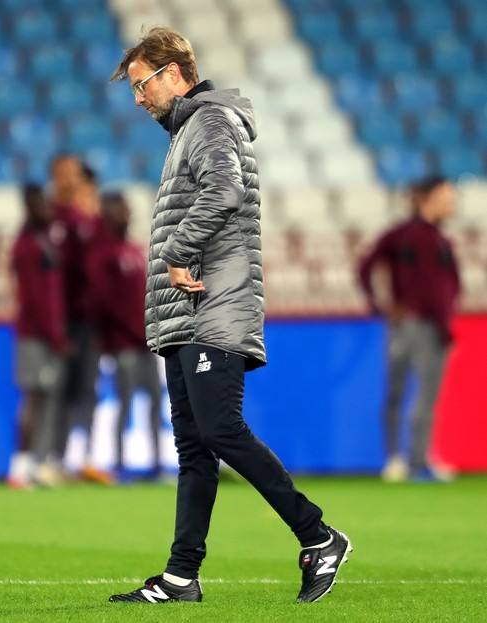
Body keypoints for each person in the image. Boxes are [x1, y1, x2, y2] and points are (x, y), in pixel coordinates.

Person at [106, 26, 350, 604]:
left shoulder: (210, 121)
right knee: (194, 446)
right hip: (187, 311)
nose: (138, 99)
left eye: (142, 85)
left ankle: (318, 535)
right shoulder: (189, 129)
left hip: (214, 304)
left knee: (219, 431)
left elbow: (225, 191)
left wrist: (178, 252)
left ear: (173, 74)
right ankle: (180, 576)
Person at [358, 177, 460, 483]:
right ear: (424, 199)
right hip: (420, 324)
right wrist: (381, 305)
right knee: (415, 394)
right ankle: (409, 460)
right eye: (445, 197)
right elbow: (366, 267)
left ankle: (405, 460)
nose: (450, 204)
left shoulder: (437, 239)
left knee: (405, 393)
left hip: (423, 324)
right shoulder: (407, 236)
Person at [87, 193, 163, 480]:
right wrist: (132, 331)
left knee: (155, 401)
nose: (126, 215)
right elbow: (104, 301)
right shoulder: (103, 254)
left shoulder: (132, 249)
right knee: (126, 401)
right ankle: (118, 461)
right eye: (120, 210)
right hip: (124, 343)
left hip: (144, 341)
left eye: (127, 210)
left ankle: (156, 462)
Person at [47, 155, 105, 484]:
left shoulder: (91, 224)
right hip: (61, 320)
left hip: (87, 321)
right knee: (56, 391)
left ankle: (78, 458)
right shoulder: (51, 218)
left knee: (84, 390)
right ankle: (47, 456)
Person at [8, 185, 68, 488]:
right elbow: (33, 297)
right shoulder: (27, 246)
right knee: (33, 397)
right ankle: (19, 465)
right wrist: (53, 333)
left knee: (46, 397)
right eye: (37, 204)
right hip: (34, 334)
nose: (45, 209)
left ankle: (37, 461)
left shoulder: (45, 241)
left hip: (47, 333)